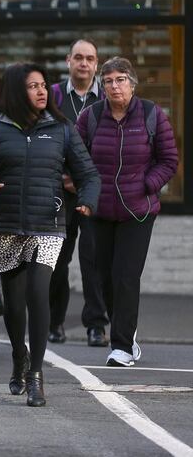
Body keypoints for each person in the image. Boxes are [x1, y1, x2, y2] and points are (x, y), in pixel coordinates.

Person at [0, 63, 100, 407]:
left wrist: (88, 201)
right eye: (33, 86)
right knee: (14, 305)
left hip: (47, 226)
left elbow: (88, 174)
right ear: (18, 91)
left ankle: (36, 374)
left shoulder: (62, 129)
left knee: (38, 293)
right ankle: (19, 355)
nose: (41, 91)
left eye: (43, 86)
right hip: (5, 227)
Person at [76, 57, 178, 368]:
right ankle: (125, 330)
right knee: (104, 276)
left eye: (120, 79)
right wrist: (85, 190)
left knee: (126, 277)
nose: (114, 86)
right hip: (100, 210)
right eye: (108, 81)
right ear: (101, 86)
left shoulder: (151, 114)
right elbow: (75, 158)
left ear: (132, 83)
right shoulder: (90, 117)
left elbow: (169, 160)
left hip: (138, 211)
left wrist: (149, 185)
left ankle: (121, 345)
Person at [48, 39, 107, 346]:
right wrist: (62, 176)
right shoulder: (54, 96)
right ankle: (54, 322)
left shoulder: (108, 97)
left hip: (93, 191)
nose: (84, 63)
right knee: (57, 259)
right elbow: (42, 137)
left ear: (96, 65)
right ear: (68, 61)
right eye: (79, 58)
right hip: (60, 191)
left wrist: (86, 180)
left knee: (93, 260)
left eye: (90, 59)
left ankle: (96, 325)